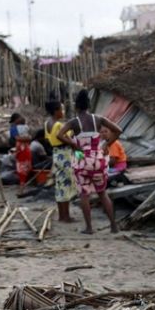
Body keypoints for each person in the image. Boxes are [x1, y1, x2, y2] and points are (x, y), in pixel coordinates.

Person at [56, 91, 123, 234]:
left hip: (81, 158)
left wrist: (74, 145)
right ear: (89, 105)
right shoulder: (98, 119)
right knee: (102, 193)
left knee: (84, 194)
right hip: (98, 158)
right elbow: (118, 130)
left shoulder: (73, 122)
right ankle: (113, 226)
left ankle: (89, 228)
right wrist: (106, 144)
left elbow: (59, 135)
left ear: (76, 107)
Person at [44, 100, 76, 224]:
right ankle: (66, 216)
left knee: (59, 185)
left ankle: (61, 215)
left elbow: (49, 139)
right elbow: (61, 137)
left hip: (56, 153)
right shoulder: (58, 125)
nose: (63, 112)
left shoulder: (47, 123)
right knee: (66, 185)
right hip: (64, 154)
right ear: (56, 111)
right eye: (61, 109)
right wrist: (73, 143)